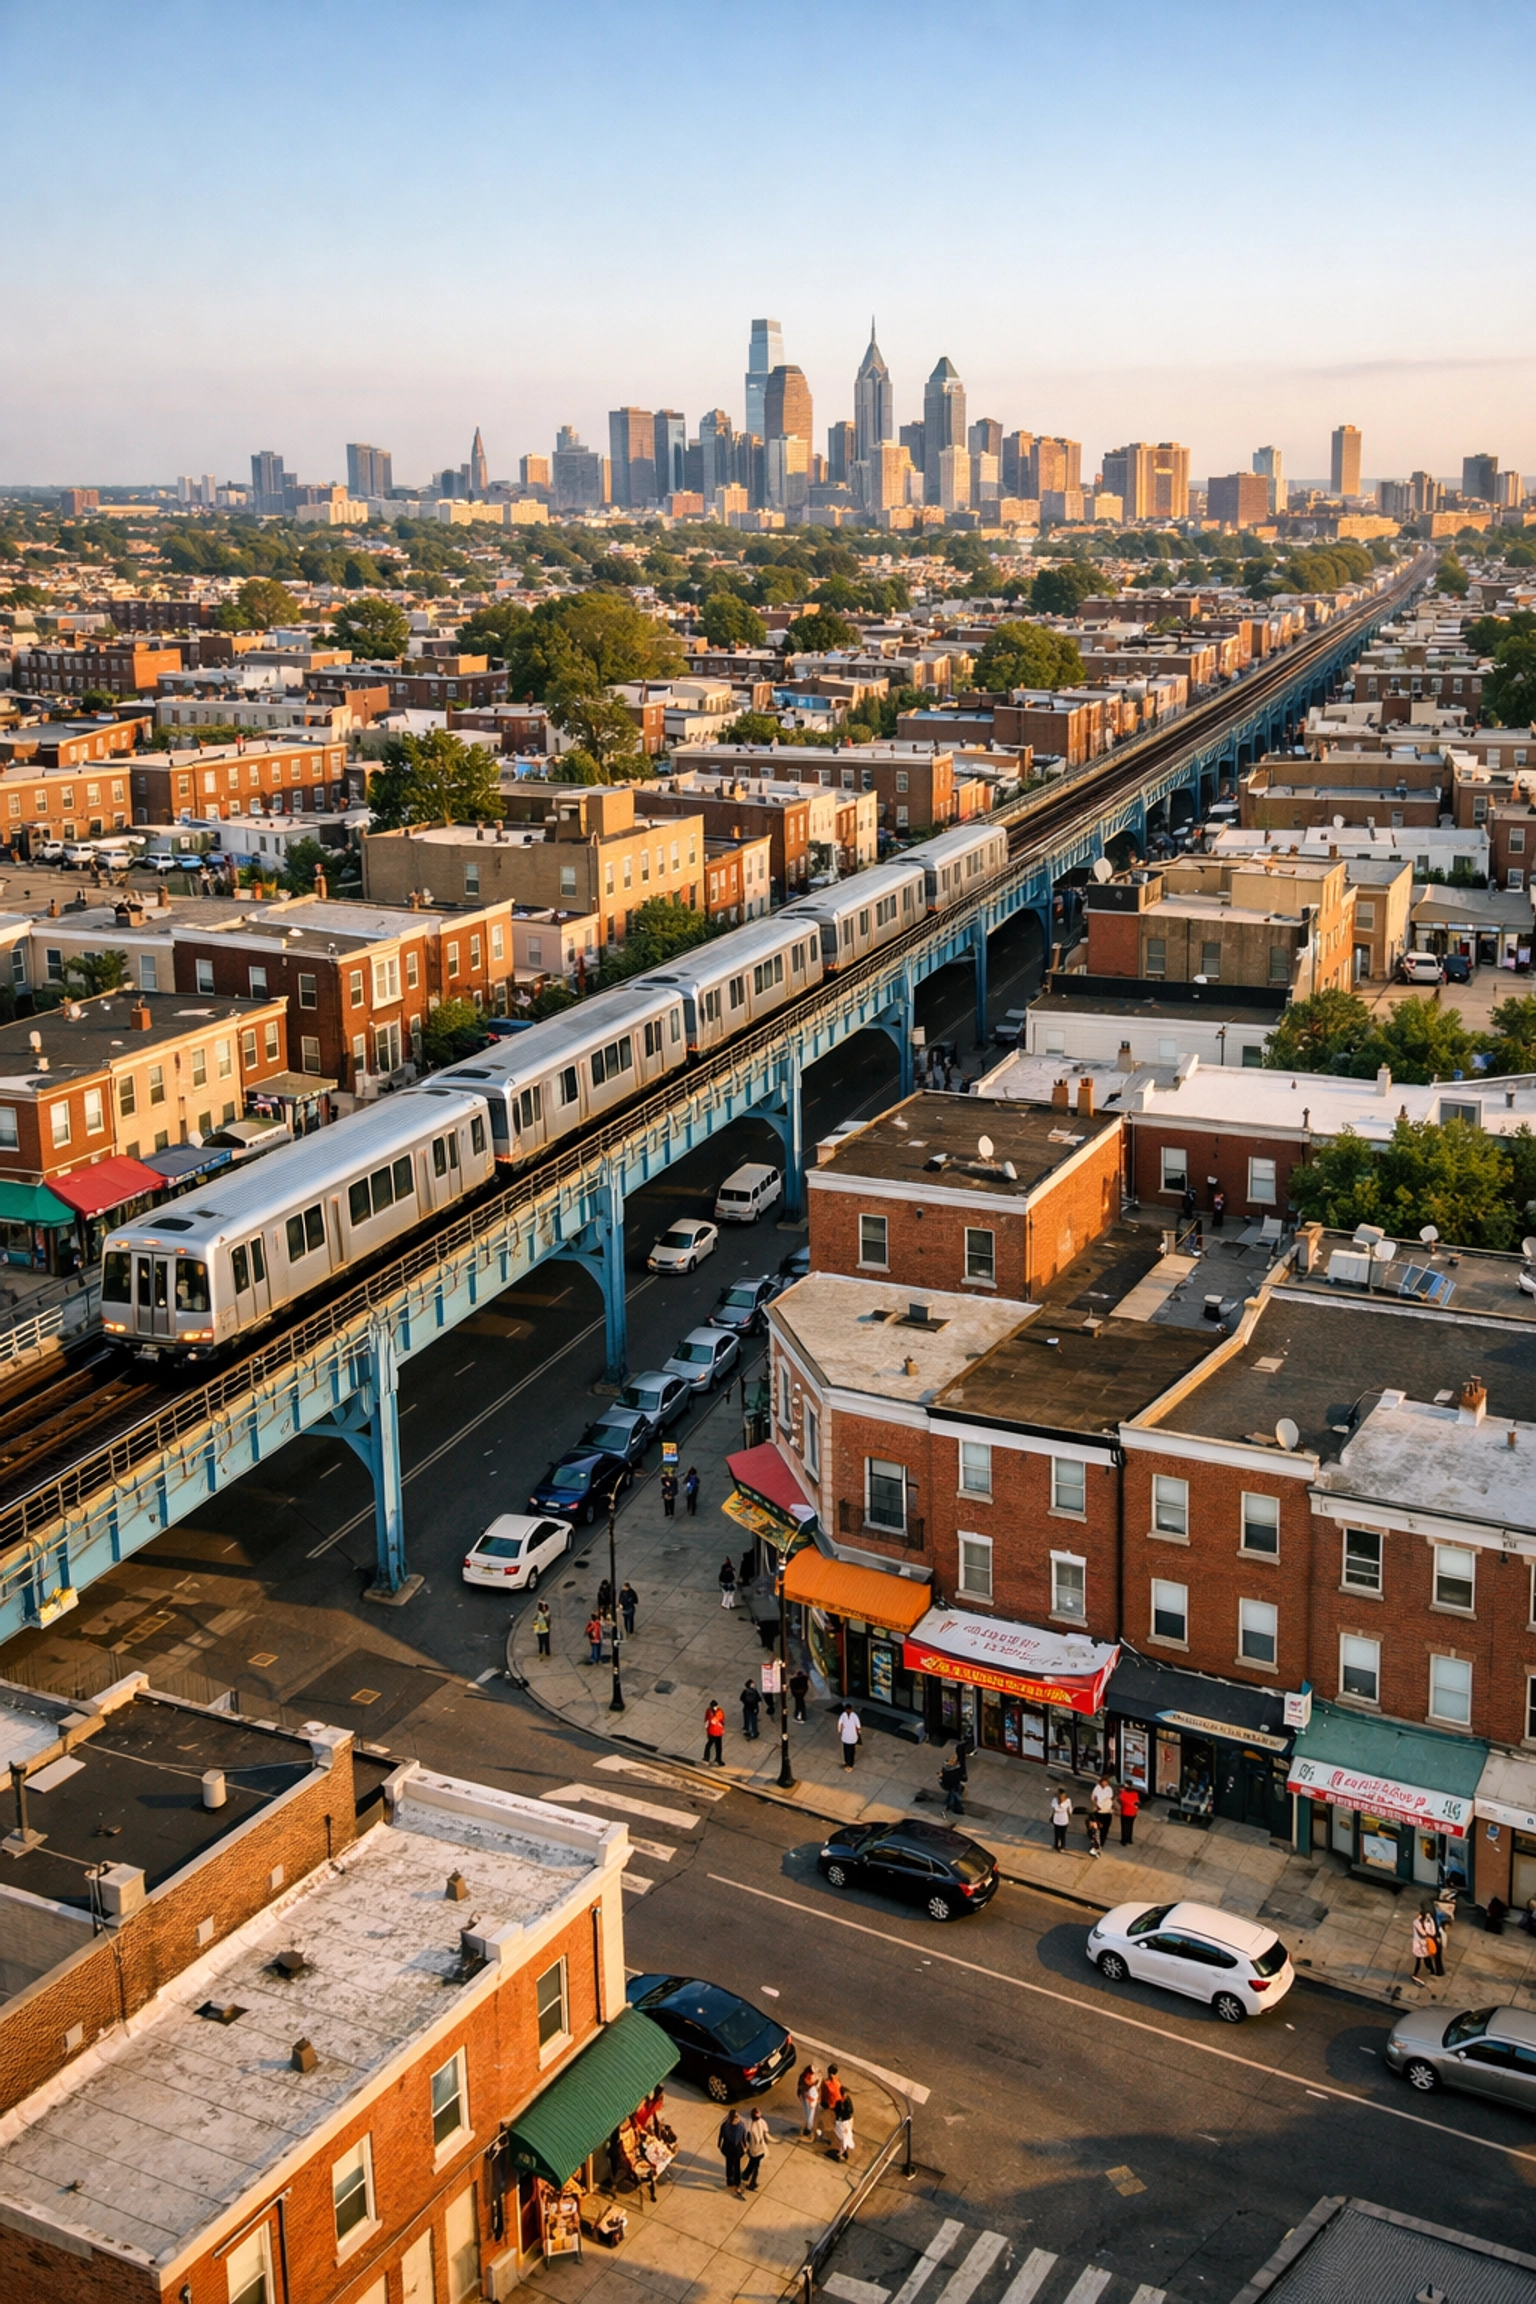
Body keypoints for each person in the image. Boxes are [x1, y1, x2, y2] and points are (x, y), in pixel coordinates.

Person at [718, 2107, 747, 2197]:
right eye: (735, 2118)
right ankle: (730, 2180)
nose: (736, 2119)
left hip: (736, 2148)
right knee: (729, 2164)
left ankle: (736, 2183)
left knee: (736, 2166)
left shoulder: (740, 2126)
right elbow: (721, 2135)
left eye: (737, 2117)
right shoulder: (726, 2126)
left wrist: (744, 2146)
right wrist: (719, 2143)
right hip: (729, 2147)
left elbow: (742, 2137)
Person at [744, 2107, 770, 2190]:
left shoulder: (748, 2124)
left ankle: (748, 2177)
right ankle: (750, 2180)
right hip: (759, 2148)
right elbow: (765, 2134)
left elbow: (747, 2137)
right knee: (755, 2165)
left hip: (754, 2148)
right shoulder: (762, 2122)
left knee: (753, 2163)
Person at [1089, 1774, 1115, 1857]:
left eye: (1106, 1782)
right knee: (1095, 1830)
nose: (1105, 1784)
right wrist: (1096, 1805)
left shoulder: (1109, 1789)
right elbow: (1093, 1798)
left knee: (1104, 1831)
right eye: (1104, 1782)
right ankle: (1094, 1845)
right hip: (1098, 1812)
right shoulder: (1097, 1788)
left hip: (1107, 1812)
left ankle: (1100, 1845)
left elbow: (1111, 1798)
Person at [818, 2064, 844, 2140]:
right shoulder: (838, 2080)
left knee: (821, 2118)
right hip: (838, 2104)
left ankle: (821, 2133)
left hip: (829, 2105)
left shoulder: (826, 2083)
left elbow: (823, 2095)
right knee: (835, 2121)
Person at [796, 2062, 821, 2136]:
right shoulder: (808, 2081)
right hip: (808, 2097)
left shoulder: (803, 2076)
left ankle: (809, 2127)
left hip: (806, 2096)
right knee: (810, 2113)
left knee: (808, 2113)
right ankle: (809, 2128)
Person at [1412, 1907, 1436, 1981]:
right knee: (1426, 1959)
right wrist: (1431, 1922)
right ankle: (1432, 1970)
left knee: (1420, 1960)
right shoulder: (1424, 1924)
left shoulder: (1417, 1922)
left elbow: (1427, 1933)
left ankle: (1416, 1973)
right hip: (1423, 1944)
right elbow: (1431, 1933)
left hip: (1420, 1944)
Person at [832, 2088, 855, 2163]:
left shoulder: (847, 2102)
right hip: (841, 2122)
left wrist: (848, 2125)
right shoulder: (839, 2102)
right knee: (842, 2137)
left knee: (845, 2137)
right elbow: (836, 2111)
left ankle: (842, 2152)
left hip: (845, 2122)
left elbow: (850, 2112)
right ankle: (843, 2151)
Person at [837, 1704, 862, 1769]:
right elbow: (840, 1723)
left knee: (851, 1751)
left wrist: (858, 1733)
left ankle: (850, 1764)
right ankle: (846, 1762)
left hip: (852, 1736)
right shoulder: (843, 1715)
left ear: (851, 1709)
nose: (848, 1710)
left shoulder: (854, 1716)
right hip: (845, 1736)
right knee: (845, 1750)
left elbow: (858, 1726)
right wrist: (840, 1730)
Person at [1117, 1781, 1140, 1847]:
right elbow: (1137, 1802)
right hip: (1133, 1812)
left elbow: (1121, 1799)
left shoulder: (1123, 1794)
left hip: (1125, 1812)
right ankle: (1129, 1839)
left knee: (1124, 1826)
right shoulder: (1135, 1793)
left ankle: (1124, 1840)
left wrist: (1121, 1791)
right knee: (1130, 1826)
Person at [1050, 1788, 1073, 1853]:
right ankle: (1056, 1845)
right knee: (1056, 1833)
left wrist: (1069, 1816)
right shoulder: (1055, 1800)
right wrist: (1059, 1804)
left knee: (1062, 1834)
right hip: (1057, 1818)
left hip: (1064, 1819)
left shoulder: (1068, 1801)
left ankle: (1063, 1845)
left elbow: (1070, 1809)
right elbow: (1055, 1809)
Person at [704, 1700, 725, 1766]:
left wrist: (717, 1722)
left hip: (717, 1732)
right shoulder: (709, 1711)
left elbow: (721, 1721)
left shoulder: (719, 1711)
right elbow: (706, 1720)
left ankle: (716, 1759)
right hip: (712, 1731)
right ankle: (708, 1758)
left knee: (716, 1746)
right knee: (711, 1745)